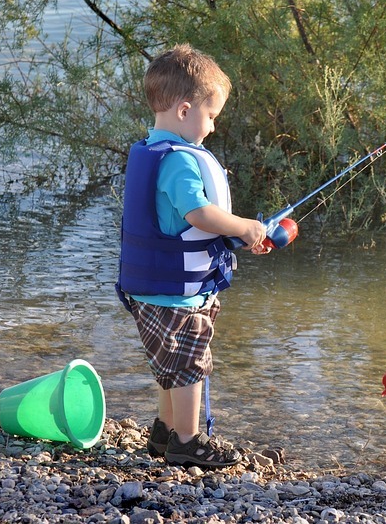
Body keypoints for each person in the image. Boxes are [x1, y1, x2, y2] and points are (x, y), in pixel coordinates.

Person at [116, 44, 267, 469]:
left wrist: (234, 236)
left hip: (155, 290)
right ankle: (186, 441)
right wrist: (242, 226)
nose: (214, 127)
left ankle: (164, 433)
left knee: (171, 365)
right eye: (212, 115)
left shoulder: (154, 149)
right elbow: (198, 213)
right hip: (176, 296)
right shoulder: (180, 162)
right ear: (185, 110)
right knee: (188, 367)